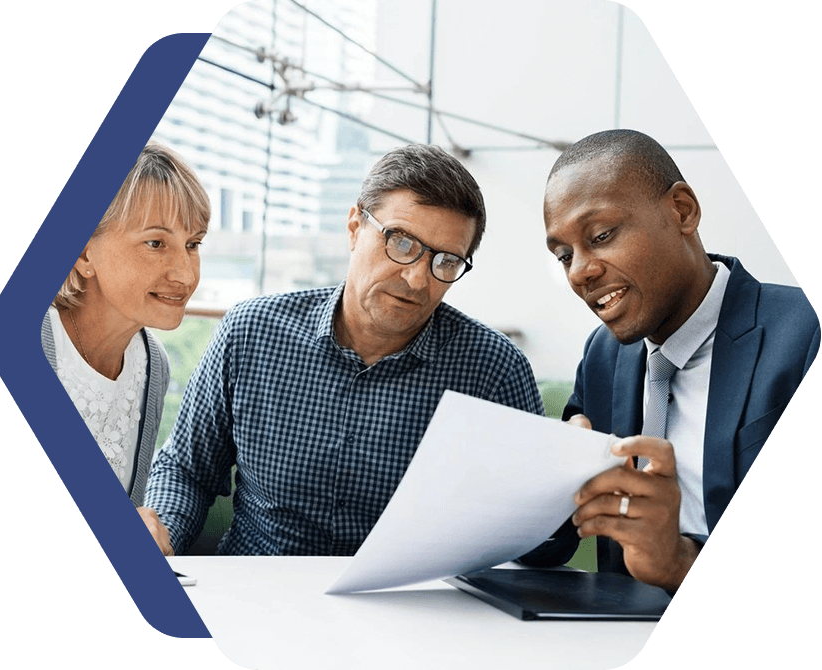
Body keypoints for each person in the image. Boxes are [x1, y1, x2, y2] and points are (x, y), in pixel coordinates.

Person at [141, 143, 544, 556]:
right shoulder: (251, 332)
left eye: (445, 262)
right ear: (355, 226)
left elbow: (534, 532)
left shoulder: (493, 369)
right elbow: (187, 471)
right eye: (402, 243)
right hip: (258, 594)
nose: (418, 280)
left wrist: (563, 494)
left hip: (408, 608)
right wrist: (160, 533)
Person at [520, 129, 819, 593]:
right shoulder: (602, 356)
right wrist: (539, 486)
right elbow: (551, 546)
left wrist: (680, 561)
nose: (579, 270)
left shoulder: (806, 334)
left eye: (601, 235)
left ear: (682, 210)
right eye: (563, 255)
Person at [42, 141, 210, 508]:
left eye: (193, 244)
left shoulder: (152, 364)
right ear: (84, 253)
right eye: (155, 243)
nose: (184, 273)